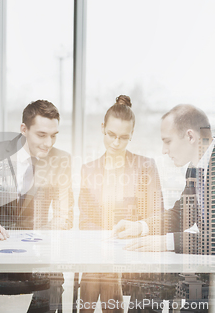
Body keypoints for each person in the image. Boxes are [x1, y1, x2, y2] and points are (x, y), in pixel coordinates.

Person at [120, 104, 215, 284]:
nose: (164, 150)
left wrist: (167, 242)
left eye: (167, 141)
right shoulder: (195, 169)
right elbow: (182, 213)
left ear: (190, 136)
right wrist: (142, 226)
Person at [0, 100, 73, 312]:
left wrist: (42, 235)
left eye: (54, 135)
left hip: (35, 253)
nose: (49, 143)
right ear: (24, 129)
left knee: (54, 278)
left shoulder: (61, 160)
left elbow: (64, 215)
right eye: (41, 135)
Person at [78, 95, 164, 313]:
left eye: (123, 138)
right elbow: (85, 220)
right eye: (111, 135)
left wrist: (126, 235)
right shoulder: (89, 170)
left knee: (100, 270)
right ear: (102, 129)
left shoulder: (145, 166)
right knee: (100, 267)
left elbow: (157, 215)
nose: (116, 143)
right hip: (102, 249)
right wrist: (108, 240)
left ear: (132, 135)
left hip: (135, 250)